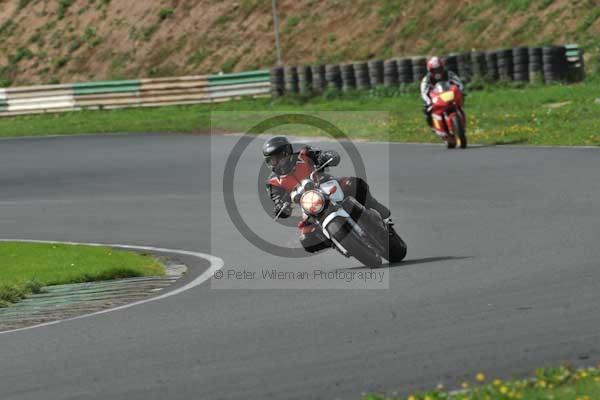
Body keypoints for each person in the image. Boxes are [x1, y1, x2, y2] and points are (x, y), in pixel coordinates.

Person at [262, 136, 391, 253]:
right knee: (306, 240)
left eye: (276, 159)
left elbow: (324, 155)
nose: (274, 163)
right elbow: (277, 200)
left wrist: (327, 156)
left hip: (327, 186)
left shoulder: (304, 154)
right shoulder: (273, 183)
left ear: (286, 153)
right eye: (271, 160)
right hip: (308, 205)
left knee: (354, 184)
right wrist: (280, 207)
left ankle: (375, 207)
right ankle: (336, 239)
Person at [420, 56, 465, 132]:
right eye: (434, 70)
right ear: (430, 70)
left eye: (439, 69)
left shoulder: (449, 74)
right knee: (427, 111)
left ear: (442, 67)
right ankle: (432, 127)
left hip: (449, 94)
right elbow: (423, 92)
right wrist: (428, 101)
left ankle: (462, 123)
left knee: (459, 106)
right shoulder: (426, 79)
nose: (437, 72)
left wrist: (460, 91)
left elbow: (459, 83)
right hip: (435, 97)